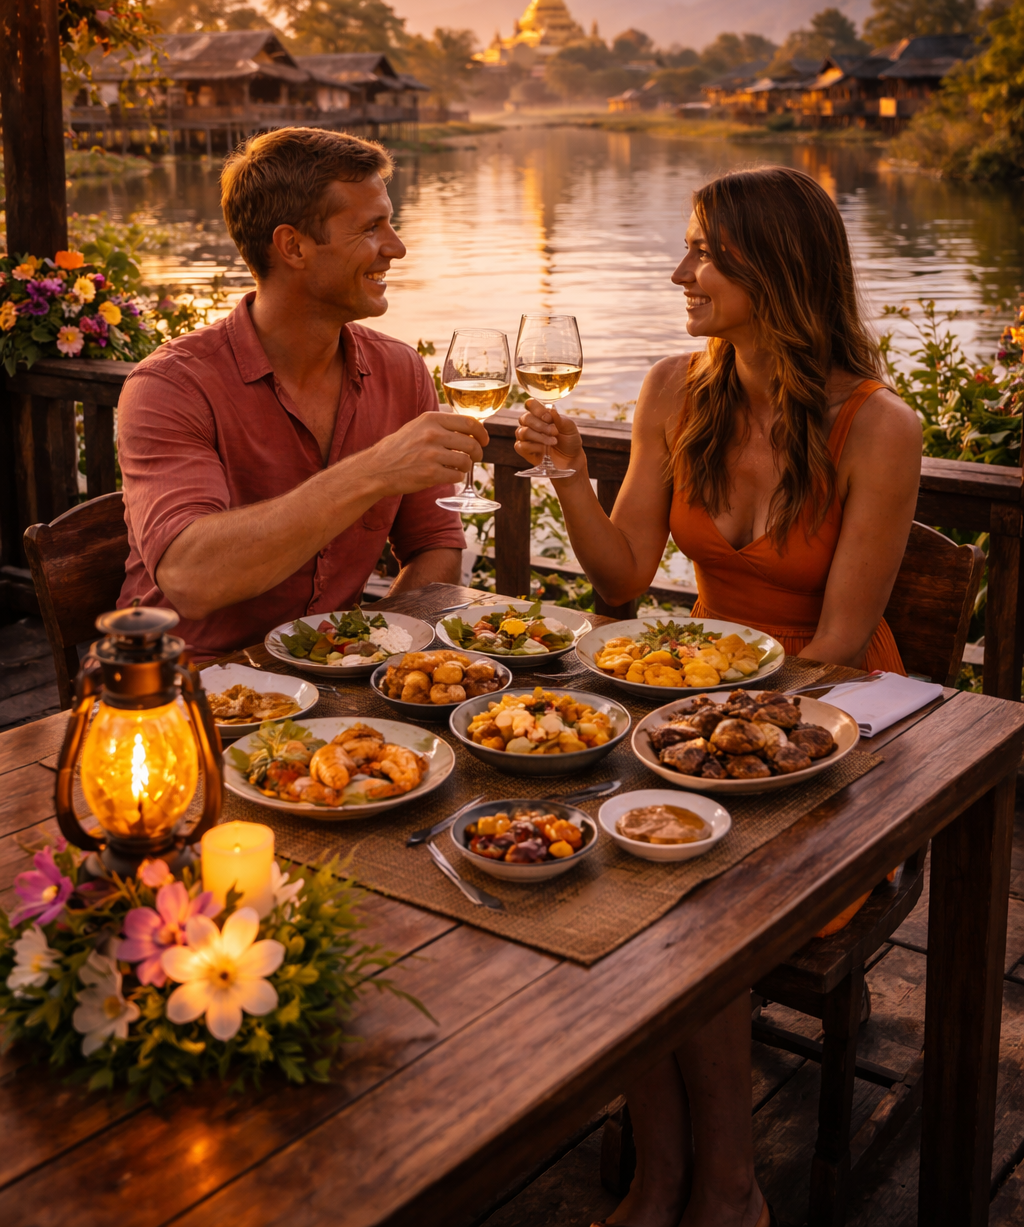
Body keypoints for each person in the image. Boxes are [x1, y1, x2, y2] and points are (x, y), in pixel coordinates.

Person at [514, 166, 921, 1227]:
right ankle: (662, 1177)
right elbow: (620, 580)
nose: (678, 271)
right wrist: (567, 471)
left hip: (828, 735)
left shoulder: (877, 428)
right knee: (603, 871)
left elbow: (834, 650)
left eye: (704, 251)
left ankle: (726, 1189)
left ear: (775, 269)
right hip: (692, 718)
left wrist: (702, 729)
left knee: (688, 904)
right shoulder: (670, 390)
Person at [117, 127, 487, 657]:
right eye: (370, 228)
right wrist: (374, 470)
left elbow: (436, 545)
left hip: (334, 689)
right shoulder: (172, 386)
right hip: (185, 694)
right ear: (293, 246)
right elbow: (190, 579)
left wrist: (375, 651)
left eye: (391, 222)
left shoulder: (401, 371)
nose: (396, 248)